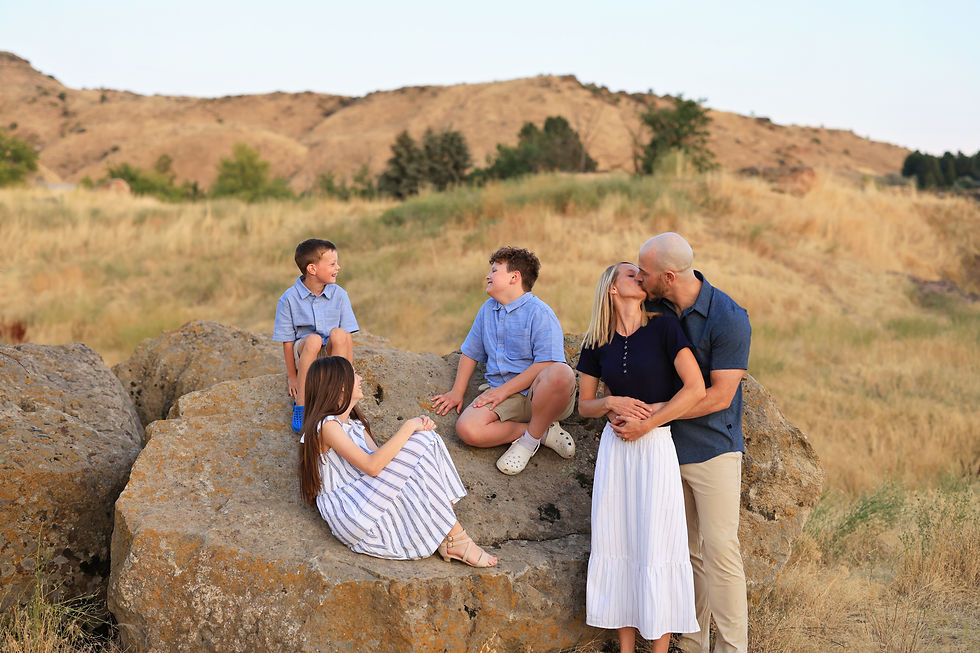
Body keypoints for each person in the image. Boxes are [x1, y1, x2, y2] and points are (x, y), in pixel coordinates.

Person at [629, 232, 752, 653]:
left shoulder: (728, 317)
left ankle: (732, 648)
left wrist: (654, 415)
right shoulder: (654, 308)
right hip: (663, 450)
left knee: (721, 551)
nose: (639, 277)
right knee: (687, 553)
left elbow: (719, 396)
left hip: (713, 450)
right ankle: (693, 643)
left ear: (668, 276)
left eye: (644, 271)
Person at [577, 262, 705, 653]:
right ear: (613, 289)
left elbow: (695, 388)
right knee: (617, 540)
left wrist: (648, 423)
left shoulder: (664, 329)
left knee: (658, 542)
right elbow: (584, 405)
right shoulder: (596, 341)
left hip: (656, 447)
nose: (640, 277)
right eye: (631, 273)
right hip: (616, 451)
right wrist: (611, 402)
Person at [298, 356, 497, 567]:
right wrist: (409, 427)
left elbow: (386, 466)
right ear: (341, 386)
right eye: (354, 374)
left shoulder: (355, 425)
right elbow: (373, 466)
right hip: (353, 512)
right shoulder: (327, 426)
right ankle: (455, 537)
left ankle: (447, 532)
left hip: (369, 501)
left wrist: (415, 434)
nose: (361, 378)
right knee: (422, 439)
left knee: (425, 438)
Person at [431, 246, 577, 475]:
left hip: (540, 395)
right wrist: (457, 392)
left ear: (514, 277)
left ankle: (527, 444)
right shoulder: (487, 311)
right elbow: (470, 352)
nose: (488, 276)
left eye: (494, 270)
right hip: (506, 397)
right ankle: (542, 433)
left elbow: (547, 364)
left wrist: (502, 391)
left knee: (561, 372)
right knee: (468, 429)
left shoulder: (539, 312)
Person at [273, 238, 358, 433]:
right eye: (332, 264)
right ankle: (301, 404)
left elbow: (347, 336)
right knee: (313, 339)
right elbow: (287, 342)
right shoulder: (288, 299)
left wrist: (350, 371)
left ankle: (339, 395)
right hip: (305, 350)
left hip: (331, 352)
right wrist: (292, 377)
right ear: (312, 269)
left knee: (338, 333)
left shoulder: (340, 295)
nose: (338, 267)